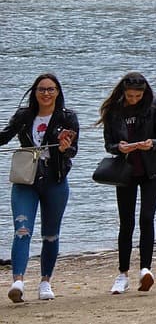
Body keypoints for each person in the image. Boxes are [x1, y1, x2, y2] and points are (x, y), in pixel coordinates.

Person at [0, 73, 79, 303]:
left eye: (51, 89)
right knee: (22, 231)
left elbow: (74, 151)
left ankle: (45, 282)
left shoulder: (67, 118)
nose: (46, 93)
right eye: (42, 89)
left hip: (55, 181)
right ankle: (18, 282)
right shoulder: (24, 115)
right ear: (34, 92)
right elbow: (4, 137)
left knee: (51, 236)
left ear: (58, 92)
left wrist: (65, 149)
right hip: (26, 180)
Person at [99, 73, 156, 295]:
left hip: (151, 170)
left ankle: (145, 269)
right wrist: (119, 147)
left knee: (147, 218)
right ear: (123, 92)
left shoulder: (154, 105)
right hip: (126, 172)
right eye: (130, 95)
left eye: (138, 96)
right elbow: (108, 144)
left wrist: (152, 143)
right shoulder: (114, 109)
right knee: (126, 222)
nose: (134, 99)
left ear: (144, 93)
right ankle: (122, 274)